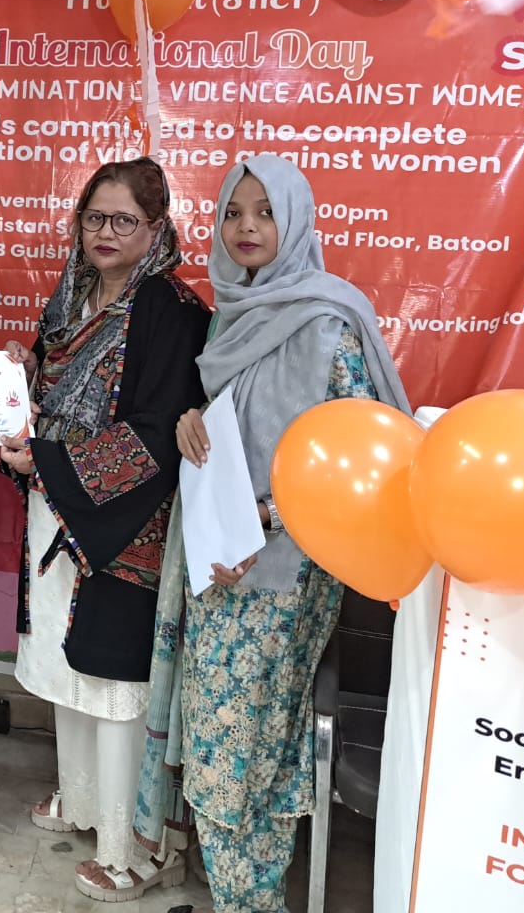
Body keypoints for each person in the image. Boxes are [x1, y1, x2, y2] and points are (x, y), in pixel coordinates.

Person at [139, 153, 409, 913]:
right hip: (221, 562)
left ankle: (247, 903)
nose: (247, 226)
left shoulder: (327, 322)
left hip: (282, 574)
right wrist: (193, 419)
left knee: (237, 755)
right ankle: (249, 901)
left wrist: (263, 518)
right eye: (233, 211)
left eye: (265, 211)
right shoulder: (234, 314)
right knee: (238, 749)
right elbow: (239, 422)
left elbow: (366, 460)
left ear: (296, 221)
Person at [0, 158, 208, 904]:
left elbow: (159, 432)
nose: (106, 233)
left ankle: (130, 845)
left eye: (125, 220)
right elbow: (49, 393)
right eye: (95, 217)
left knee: (116, 680)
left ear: (157, 228)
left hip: (125, 525)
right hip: (55, 500)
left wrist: (53, 461)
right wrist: (18, 390)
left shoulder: (170, 308)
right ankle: (83, 800)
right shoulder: (72, 294)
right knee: (65, 663)